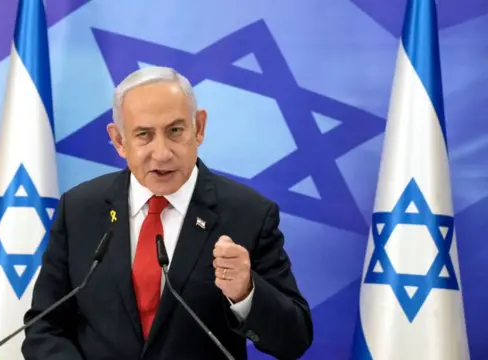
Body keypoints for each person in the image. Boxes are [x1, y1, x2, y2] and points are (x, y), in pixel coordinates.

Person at [22, 66, 313, 360]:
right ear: (120, 141)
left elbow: (294, 339)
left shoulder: (248, 214)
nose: (161, 153)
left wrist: (245, 293)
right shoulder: (80, 208)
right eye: (144, 135)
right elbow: (44, 326)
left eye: (175, 131)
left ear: (198, 128)